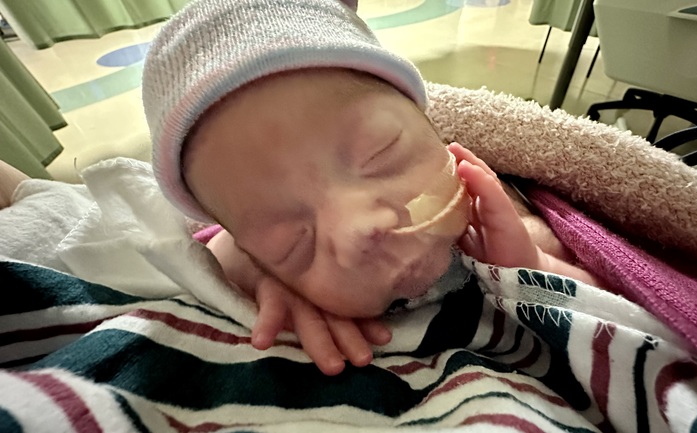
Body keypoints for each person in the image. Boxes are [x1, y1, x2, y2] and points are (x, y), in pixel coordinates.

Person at [142, 0, 601, 375]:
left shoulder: (499, 219)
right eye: (292, 243)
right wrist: (261, 279)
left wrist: (534, 265)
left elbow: (617, 306)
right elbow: (214, 252)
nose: (360, 229)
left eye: (379, 154)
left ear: (432, 127)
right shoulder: (258, 261)